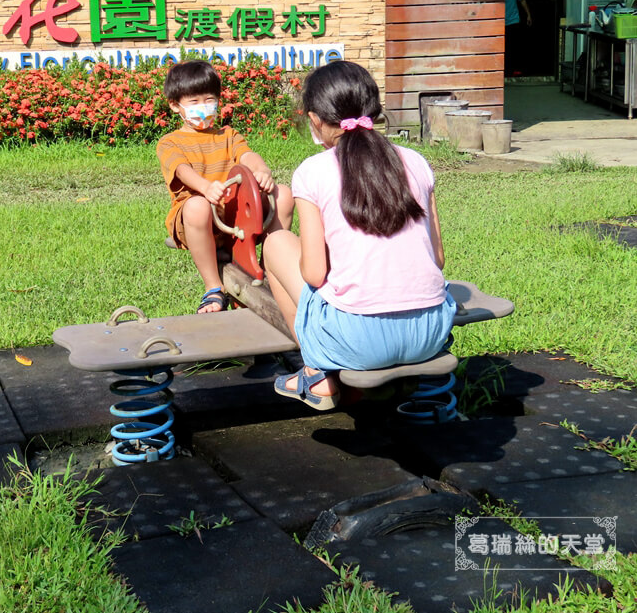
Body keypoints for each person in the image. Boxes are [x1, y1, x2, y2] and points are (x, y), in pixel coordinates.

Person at [263, 61, 456, 410]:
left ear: (315, 120)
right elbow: (438, 259)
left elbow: (313, 273)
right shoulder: (415, 161)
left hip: (358, 341)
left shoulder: (313, 171)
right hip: (431, 332)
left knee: (276, 242)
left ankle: (316, 372)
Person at [157, 59, 294, 313]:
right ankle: (213, 288)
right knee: (197, 206)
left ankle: (269, 270)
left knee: (283, 195)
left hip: (234, 213)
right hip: (196, 218)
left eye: (209, 100)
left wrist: (261, 170)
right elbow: (181, 170)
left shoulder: (228, 135)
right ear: (175, 106)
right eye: (194, 102)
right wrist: (206, 188)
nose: (204, 107)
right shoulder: (170, 142)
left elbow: (247, 156)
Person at [505, 0, 533, 76]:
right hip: (499, 21)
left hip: (513, 20)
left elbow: (522, 0)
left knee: (513, 46)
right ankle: (504, 70)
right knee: (503, 47)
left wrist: (528, 15)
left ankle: (514, 69)